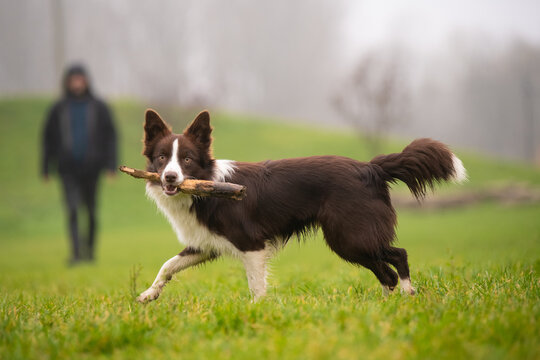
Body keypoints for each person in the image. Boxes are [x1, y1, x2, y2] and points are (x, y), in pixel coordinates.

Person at [42, 64, 118, 265]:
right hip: (67, 168)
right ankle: (76, 254)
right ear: (67, 82)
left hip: (92, 168)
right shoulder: (59, 108)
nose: (77, 83)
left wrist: (111, 165)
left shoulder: (98, 107)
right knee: (72, 210)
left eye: (80, 79)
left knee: (91, 211)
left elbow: (110, 136)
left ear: (86, 81)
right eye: (73, 79)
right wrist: (45, 167)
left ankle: (90, 252)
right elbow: (48, 138)